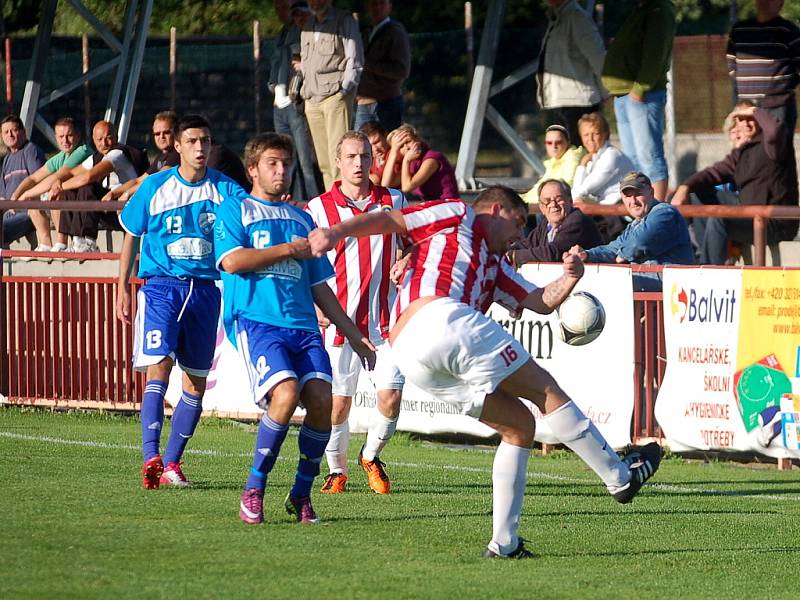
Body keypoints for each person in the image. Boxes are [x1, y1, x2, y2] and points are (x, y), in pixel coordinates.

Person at [309, 185, 662, 558]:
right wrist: (335, 232)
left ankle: (504, 543)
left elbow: (539, 302)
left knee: (519, 426)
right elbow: (390, 219)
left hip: (414, 355)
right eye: (519, 223)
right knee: (545, 390)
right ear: (496, 210)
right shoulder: (459, 214)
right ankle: (620, 477)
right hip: (440, 317)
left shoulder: (495, 266)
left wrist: (571, 277)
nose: (520, 236)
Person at [214, 132, 375, 525]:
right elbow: (232, 262)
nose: (281, 171)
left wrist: (353, 333)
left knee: (323, 401)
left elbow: (319, 284)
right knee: (285, 394)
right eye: (272, 163)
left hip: (304, 327)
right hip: (258, 323)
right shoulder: (236, 210)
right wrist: (288, 249)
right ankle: (254, 489)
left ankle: (301, 494)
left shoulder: (302, 218)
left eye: (285, 164)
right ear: (252, 169)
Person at [116, 115, 242, 489]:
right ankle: (150, 456)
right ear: (177, 146)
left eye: (205, 140)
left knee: (196, 382)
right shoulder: (155, 186)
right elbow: (131, 235)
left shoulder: (227, 190)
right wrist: (122, 286)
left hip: (205, 290)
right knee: (159, 367)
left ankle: (172, 463)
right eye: (192, 142)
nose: (200, 148)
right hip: (162, 287)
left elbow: (251, 219)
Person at [306, 131, 406, 495]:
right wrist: (315, 304)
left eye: (365, 156)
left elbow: (415, 242)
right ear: (338, 161)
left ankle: (371, 455)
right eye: (351, 157)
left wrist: (405, 260)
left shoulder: (393, 199)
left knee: (391, 396)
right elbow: (307, 262)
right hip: (338, 322)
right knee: (337, 405)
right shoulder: (318, 208)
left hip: (385, 322)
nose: (359, 164)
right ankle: (337, 471)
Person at [671, 105, 799, 265]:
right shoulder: (739, 155)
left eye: (748, 120)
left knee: (718, 219)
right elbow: (712, 173)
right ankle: (702, 258)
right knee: (696, 194)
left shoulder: (773, 147)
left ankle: (710, 270)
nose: (742, 126)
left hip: (775, 221)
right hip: (749, 212)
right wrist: (684, 187)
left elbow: (774, 132)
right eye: (738, 123)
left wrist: (754, 111)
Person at [601, 0, 675, 201]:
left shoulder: (659, 9)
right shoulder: (642, 9)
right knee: (633, 160)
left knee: (649, 156)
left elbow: (656, 53)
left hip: (642, 95)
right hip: (624, 94)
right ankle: (639, 209)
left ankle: (658, 210)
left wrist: (641, 87)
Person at [570, 171, 693, 291]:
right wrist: (586, 254)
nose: (633, 201)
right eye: (628, 196)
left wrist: (621, 255)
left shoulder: (664, 213)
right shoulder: (635, 224)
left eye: (638, 194)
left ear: (651, 192)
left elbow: (638, 243)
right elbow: (612, 249)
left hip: (674, 298)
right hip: (651, 296)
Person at [54, 120, 148, 252]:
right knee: (71, 191)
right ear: (93, 140)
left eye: (108, 138)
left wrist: (59, 187)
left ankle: (88, 241)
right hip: (108, 208)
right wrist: (57, 182)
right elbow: (71, 172)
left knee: (88, 187)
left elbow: (88, 177)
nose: (104, 143)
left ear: (116, 137)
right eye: (99, 139)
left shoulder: (117, 154)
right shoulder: (96, 157)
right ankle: (74, 241)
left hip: (126, 209)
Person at [300, 0, 364, 189]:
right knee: (323, 161)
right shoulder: (307, 27)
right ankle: (331, 200)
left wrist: (344, 90)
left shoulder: (344, 20)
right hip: (311, 98)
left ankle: (344, 201)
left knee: (339, 154)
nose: (316, 2)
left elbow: (355, 58)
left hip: (334, 96)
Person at [12, 117, 91, 253]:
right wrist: (16, 195)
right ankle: (45, 244)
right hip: (70, 204)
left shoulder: (82, 150)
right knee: (35, 196)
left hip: (86, 202)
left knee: (55, 190)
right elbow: (34, 178)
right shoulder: (60, 156)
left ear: (78, 135)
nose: (65, 141)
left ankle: (61, 243)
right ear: (56, 137)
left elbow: (58, 176)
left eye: (69, 135)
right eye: (61, 136)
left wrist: (25, 195)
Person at [269, 0, 321, 201]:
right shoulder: (283, 32)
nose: (282, 12)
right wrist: (273, 87)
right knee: (288, 157)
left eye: (285, 7)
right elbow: (277, 65)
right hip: (280, 103)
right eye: (279, 7)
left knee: (305, 161)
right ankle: (295, 200)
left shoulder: (309, 32)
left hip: (297, 102)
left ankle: (315, 202)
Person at [535, 0, 607, 145]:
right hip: (559, 102)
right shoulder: (558, 17)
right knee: (563, 158)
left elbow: (598, 58)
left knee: (580, 156)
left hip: (577, 103)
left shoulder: (577, 17)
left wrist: (607, 92)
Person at [727, 0, 800, 133]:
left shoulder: (789, 31)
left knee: (776, 152)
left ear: (781, 3)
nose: (765, 2)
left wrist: (780, 90)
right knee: (748, 151)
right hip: (745, 107)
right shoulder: (739, 30)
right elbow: (732, 65)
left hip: (778, 108)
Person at [511, 179, 602, 265]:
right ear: (542, 208)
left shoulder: (578, 221)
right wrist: (503, 252)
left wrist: (512, 256)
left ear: (570, 201)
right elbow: (526, 245)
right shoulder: (546, 224)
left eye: (559, 199)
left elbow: (552, 253)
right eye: (547, 201)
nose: (553, 205)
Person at [354, 0, 411, 133]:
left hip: (387, 103)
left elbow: (402, 70)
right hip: (363, 102)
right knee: (360, 147)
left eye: (381, 3)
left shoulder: (396, 32)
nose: (377, 7)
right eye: (373, 3)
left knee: (389, 149)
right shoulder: (366, 32)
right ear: (368, 6)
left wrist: (368, 64)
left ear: (389, 6)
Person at [381, 124, 459, 200]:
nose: (406, 147)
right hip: (431, 205)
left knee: (402, 199)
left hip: (447, 204)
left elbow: (407, 187)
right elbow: (385, 186)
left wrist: (406, 161)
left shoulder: (432, 159)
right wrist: (393, 152)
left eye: (408, 141)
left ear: (417, 139)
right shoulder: (413, 162)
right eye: (401, 146)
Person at [0, 115, 45, 247]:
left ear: (23, 132)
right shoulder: (6, 160)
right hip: (8, 213)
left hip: (28, 212)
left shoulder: (31, 150)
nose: (10, 135)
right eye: (6, 132)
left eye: (13, 130)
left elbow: (38, 181)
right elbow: (2, 197)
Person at [572, 113, 635, 206]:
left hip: (621, 209)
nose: (590, 139)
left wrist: (581, 165)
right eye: (586, 135)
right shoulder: (592, 157)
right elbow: (577, 193)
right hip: (604, 207)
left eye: (595, 133)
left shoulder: (612, 155)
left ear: (605, 134)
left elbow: (581, 191)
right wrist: (584, 164)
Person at [522, 124, 585, 204]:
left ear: (568, 142)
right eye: (549, 143)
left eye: (558, 142)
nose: (554, 146)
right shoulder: (554, 161)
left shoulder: (573, 157)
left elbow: (564, 187)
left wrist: (522, 201)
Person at [359, 120, 391, 185]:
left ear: (385, 135)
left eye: (377, 142)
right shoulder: (372, 157)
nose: (375, 149)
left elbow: (376, 180)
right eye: (369, 145)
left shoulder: (393, 154)